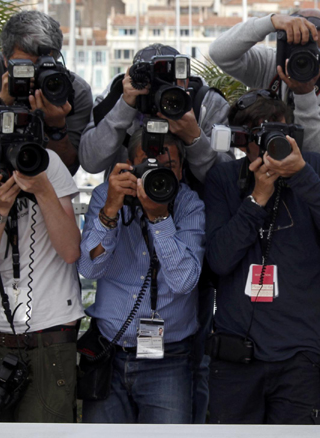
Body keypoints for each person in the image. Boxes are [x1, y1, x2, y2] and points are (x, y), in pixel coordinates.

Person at [0, 11, 92, 413]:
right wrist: (5, 106)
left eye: (45, 63)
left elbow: (72, 166)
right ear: (5, 59)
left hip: (49, 329)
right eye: (24, 63)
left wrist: (54, 130)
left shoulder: (71, 89)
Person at [204, 91, 320, 424]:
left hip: (303, 356)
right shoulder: (224, 179)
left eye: (279, 133)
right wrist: (256, 201)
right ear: (242, 142)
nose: (273, 144)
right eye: (262, 135)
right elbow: (218, 261)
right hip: (237, 358)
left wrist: (301, 175)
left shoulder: (314, 168)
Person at [77, 130, 205, 424]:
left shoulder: (188, 204)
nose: (156, 178)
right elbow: (89, 268)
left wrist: (159, 219)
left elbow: (184, 281)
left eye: (167, 169)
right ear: (128, 167)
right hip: (109, 351)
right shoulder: (107, 196)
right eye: (147, 168)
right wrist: (110, 208)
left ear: (181, 171)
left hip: (168, 358)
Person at [209, 9, 320, 198]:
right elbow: (219, 53)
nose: (305, 59)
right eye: (296, 49)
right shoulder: (272, 63)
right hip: (266, 188)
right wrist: (270, 22)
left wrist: (304, 94)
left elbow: (318, 151)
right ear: (283, 46)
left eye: (316, 53)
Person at [0, 10, 92, 175]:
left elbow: (68, 167)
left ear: (55, 60)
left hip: (43, 185)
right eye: (23, 68)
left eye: (41, 66)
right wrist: (1, 104)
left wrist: (56, 126)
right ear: (5, 58)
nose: (33, 74)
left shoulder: (73, 90)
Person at [79, 43, 231, 182]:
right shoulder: (114, 96)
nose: (158, 95)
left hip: (191, 203)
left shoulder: (207, 102)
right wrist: (124, 107)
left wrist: (194, 137)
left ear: (185, 81)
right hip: (128, 200)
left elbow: (225, 180)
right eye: (149, 87)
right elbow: (91, 162)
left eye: (169, 88)